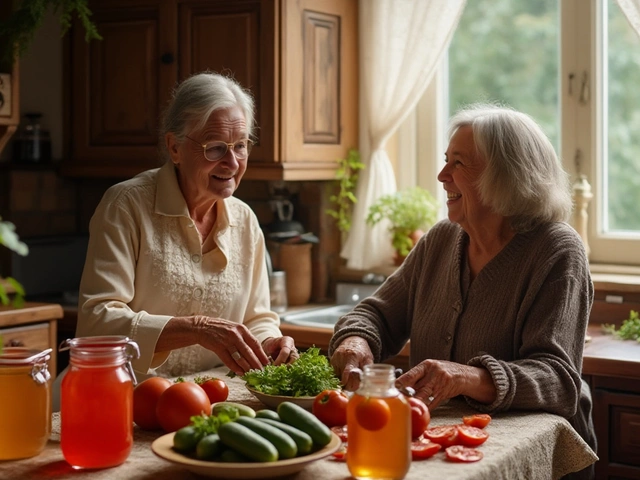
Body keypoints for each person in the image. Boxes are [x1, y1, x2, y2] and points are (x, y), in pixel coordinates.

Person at [329, 104, 596, 478]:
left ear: (507, 176)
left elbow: (557, 380)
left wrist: (464, 376)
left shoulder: (556, 249)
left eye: (459, 163)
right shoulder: (442, 239)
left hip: (535, 456)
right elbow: (375, 314)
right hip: (439, 446)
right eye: (445, 160)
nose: (442, 175)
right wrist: (356, 340)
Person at [75, 71, 298, 379]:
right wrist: (196, 329)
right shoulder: (126, 205)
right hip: (129, 396)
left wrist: (270, 342)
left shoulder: (245, 221)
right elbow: (97, 322)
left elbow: (256, 319)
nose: (232, 163)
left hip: (212, 400)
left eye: (241, 146)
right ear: (175, 148)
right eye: (215, 147)